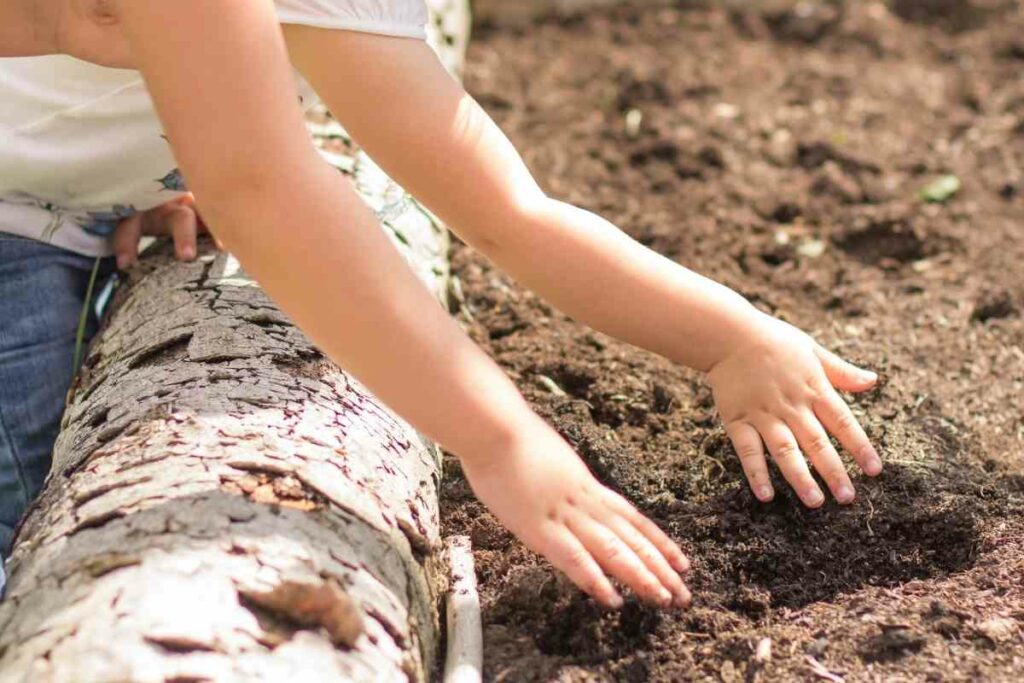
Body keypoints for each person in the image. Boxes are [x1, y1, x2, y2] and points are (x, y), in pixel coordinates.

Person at [0, 0, 883, 609]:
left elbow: (506, 211)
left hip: (59, 193)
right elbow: (262, 194)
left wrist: (730, 339)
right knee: (19, 525)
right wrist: (500, 438)